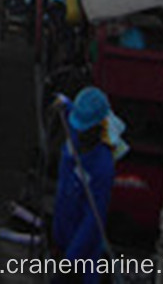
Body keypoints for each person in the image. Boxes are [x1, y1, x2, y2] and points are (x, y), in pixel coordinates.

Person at [52, 87, 116, 284]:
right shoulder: (75, 131)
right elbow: (71, 108)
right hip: (61, 233)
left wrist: (70, 261)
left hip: (81, 256)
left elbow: (92, 220)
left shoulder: (102, 167)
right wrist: (62, 100)